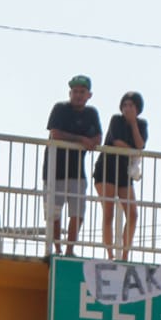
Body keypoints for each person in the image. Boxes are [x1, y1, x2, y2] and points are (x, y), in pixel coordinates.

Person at [44, 74, 103, 254]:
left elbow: (97, 139)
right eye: (75, 91)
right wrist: (81, 139)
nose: (78, 95)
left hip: (77, 171)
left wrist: (87, 141)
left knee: (77, 213)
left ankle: (70, 249)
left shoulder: (91, 113)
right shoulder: (60, 108)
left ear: (89, 95)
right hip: (54, 169)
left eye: (82, 92)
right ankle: (57, 249)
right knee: (53, 213)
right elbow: (55, 133)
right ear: (70, 93)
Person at [92, 91, 148, 260]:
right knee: (108, 212)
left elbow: (140, 144)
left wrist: (133, 124)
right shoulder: (116, 120)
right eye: (125, 105)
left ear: (138, 108)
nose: (127, 108)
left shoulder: (142, 124)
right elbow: (117, 142)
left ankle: (125, 254)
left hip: (123, 172)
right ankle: (109, 254)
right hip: (106, 169)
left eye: (131, 105)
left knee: (132, 213)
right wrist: (133, 151)